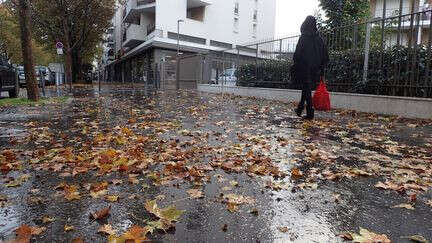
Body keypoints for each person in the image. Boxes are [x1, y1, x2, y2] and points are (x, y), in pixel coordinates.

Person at [293, 16, 329, 120]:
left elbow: (297, 54)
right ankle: (300, 108)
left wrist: (296, 63)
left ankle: (309, 112)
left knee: (306, 87)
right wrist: (321, 68)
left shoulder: (304, 37)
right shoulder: (319, 39)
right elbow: (325, 55)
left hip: (304, 67)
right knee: (306, 88)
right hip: (316, 69)